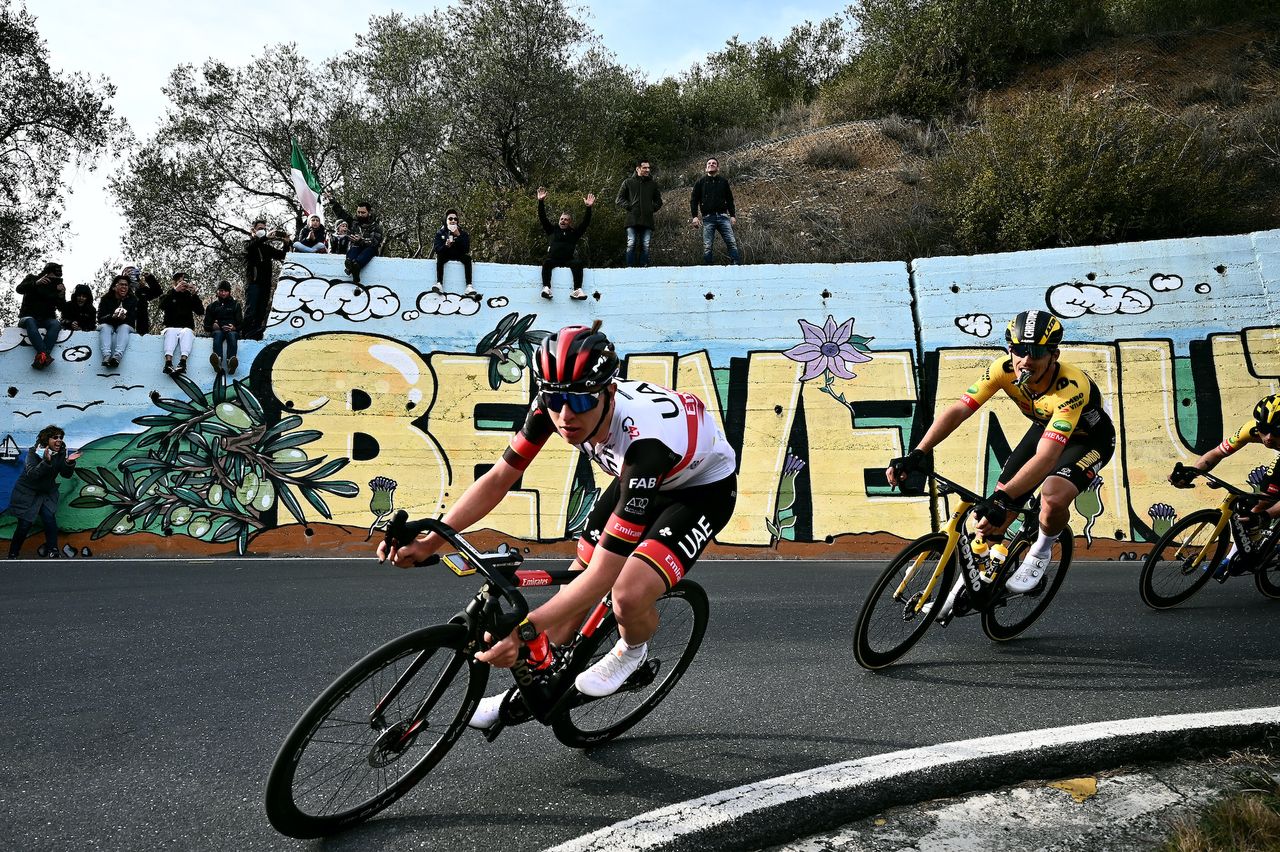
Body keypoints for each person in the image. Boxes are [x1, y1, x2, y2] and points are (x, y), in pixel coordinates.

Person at [379, 322, 738, 729]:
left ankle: (631, 650)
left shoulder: (644, 443)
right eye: (554, 398)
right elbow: (500, 477)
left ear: (609, 392)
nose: (565, 416)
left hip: (699, 490)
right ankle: (540, 687)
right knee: (572, 589)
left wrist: (526, 631)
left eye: (580, 402)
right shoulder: (556, 404)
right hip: (638, 481)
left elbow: (605, 575)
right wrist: (431, 540)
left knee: (626, 592)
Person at [887, 310, 1115, 607]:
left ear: (1053, 355)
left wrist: (1004, 497)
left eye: (1036, 352)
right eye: (1019, 350)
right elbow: (959, 410)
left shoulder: (1070, 387)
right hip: (1045, 429)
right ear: (1010, 349)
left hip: (1089, 441)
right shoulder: (1002, 370)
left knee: (1052, 496)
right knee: (988, 520)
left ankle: (1041, 550)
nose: (1026, 360)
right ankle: (970, 588)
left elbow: (1047, 459)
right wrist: (917, 453)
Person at [1169, 394, 1280, 576]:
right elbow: (1217, 453)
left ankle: (1232, 557)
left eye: (1277, 432)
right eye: (1264, 429)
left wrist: (1265, 516)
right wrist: (1192, 473)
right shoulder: (1251, 429)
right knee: (1257, 505)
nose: (1268, 438)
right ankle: (1250, 547)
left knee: (1265, 502)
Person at [6, 425, 80, 559]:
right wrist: (46, 461)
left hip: (46, 493)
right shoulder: (33, 452)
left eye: (61, 437)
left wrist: (69, 462)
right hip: (28, 493)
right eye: (55, 437)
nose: (59, 440)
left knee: (49, 519)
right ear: (46, 440)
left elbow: (65, 474)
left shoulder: (61, 452)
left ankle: (53, 550)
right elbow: (32, 474)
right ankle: (13, 554)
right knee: (24, 524)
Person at [537, 187, 595, 301]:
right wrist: (540, 202)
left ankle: (577, 290)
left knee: (578, 263)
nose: (563, 220)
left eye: (566, 219)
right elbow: (542, 218)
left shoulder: (574, 233)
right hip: (553, 259)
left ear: (569, 222)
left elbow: (585, 224)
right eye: (561, 219)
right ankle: (546, 288)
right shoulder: (552, 230)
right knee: (546, 263)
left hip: (568, 259)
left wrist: (588, 208)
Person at [690, 157, 741, 265]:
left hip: (723, 217)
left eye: (714, 163)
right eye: (709, 163)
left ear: (718, 167)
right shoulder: (700, 182)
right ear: (706, 168)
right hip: (708, 218)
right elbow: (694, 200)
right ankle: (709, 268)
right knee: (707, 246)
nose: (711, 164)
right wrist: (694, 216)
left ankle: (736, 265)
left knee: (731, 242)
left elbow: (730, 199)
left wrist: (732, 215)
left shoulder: (723, 182)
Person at [243, 219, 288, 340]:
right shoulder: (248, 244)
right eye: (259, 228)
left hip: (265, 284)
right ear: (253, 230)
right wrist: (264, 238)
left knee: (261, 310)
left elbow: (283, 255)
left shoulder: (267, 248)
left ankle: (256, 334)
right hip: (253, 283)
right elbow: (250, 247)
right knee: (251, 309)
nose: (262, 231)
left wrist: (286, 243)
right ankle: (245, 333)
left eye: (264, 228)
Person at [325, 193, 383, 286]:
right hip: (356, 248)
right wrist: (332, 201)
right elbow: (341, 213)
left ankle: (355, 267)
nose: (360, 214)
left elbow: (374, 243)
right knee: (353, 250)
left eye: (363, 213)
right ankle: (351, 266)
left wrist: (361, 240)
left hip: (369, 250)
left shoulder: (376, 227)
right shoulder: (354, 223)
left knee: (369, 250)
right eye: (358, 212)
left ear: (369, 212)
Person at [15, 262, 65, 369]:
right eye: (54, 276)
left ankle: (42, 356)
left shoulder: (56, 286)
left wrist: (61, 295)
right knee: (30, 321)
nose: (55, 278)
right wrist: (36, 283)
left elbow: (62, 308)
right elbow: (19, 289)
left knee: (56, 324)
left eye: (58, 277)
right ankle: (44, 354)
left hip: (46, 319)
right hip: (27, 317)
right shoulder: (32, 278)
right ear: (47, 273)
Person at [615, 160, 662, 267]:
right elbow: (619, 199)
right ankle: (629, 267)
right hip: (632, 219)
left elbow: (659, 201)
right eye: (645, 168)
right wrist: (630, 207)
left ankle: (643, 267)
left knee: (645, 244)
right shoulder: (628, 182)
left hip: (647, 219)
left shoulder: (653, 184)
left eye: (648, 168)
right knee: (631, 243)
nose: (647, 170)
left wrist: (651, 208)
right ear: (638, 169)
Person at [157, 272, 204, 376]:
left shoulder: (190, 297)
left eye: (184, 283)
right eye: (179, 282)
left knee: (187, 332)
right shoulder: (168, 295)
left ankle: (183, 363)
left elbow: (200, 311)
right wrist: (174, 291)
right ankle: (168, 363)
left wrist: (195, 295)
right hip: (170, 327)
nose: (182, 285)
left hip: (186, 328)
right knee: (171, 332)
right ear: (174, 283)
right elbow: (162, 305)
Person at [96, 276, 139, 369]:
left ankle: (117, 357)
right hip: (109, 324)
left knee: (124, 327)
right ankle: (106, 356)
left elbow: (133, 319)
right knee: (105, 327)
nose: (124, 287)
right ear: (114, 287)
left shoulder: (133, 300)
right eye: (121, 284)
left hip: (125, 326)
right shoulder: (106, 299)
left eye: (126, 285)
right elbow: (100, 318)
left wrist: (124, 318)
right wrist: (112, 317)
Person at [432, 209, 475, 297]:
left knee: (468, 259)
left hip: (458, 255)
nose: (453, 221)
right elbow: (437, 249)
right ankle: (439, 283)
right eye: (450, 219)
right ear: (446, 220)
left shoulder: (463, 233)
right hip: (445, 254)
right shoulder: (440, 233)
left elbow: (466, 249)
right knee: (439, 257)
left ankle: (469, 286)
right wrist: (446, 245)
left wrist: (458, 236)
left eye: (455, 219)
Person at [204, 280, 243, 375]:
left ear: (229, 292)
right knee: (217, 335)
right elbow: (206, 325)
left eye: (225, 291)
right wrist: (213, 326)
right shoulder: (211, 306)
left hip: (231, 331)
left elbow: (241, 324)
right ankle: (218, 361)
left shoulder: (236, 305)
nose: (223, 293)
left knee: (232, 336)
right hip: (218, 331)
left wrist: (234, 328)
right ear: (217, 291)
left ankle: (231, 362)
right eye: (221, 291)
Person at [121, 265, 162, 337]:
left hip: (142, 327)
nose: (131, 274)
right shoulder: (120, 290)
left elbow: (157, 292)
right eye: (128, 272)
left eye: (133, 272)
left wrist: (149, 278)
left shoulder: (141, 289)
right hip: (126, 325)